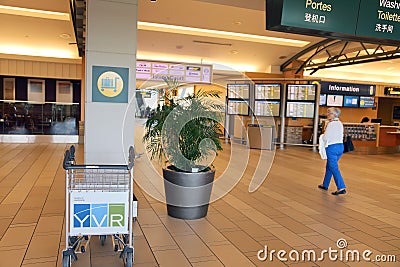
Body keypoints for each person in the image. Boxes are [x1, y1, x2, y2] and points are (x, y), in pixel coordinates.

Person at [318, 107, 347, 195]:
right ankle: (325, 184)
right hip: (340, 147)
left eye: (329, 113)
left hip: (332, 148)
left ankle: (341, 187)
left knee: (334, 168)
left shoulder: (331, 124)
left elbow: (326, 137)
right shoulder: (340, 123)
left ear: (334, 115)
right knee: (330, 166)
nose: (327, 115)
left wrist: (322, 136)